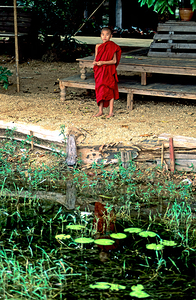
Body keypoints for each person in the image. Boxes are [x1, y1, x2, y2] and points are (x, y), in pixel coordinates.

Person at [93, 27, 121, 118]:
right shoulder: (98, 46)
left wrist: (103, 63)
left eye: (107, 34)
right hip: (100, 71)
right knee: (100, 90)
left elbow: (114, 61)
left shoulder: (113, 46)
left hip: (108, 71)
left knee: (110, 90)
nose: (105, 36)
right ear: (100, 35)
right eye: (103, 34)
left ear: (111, 36)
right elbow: (96, 59)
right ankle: (100, 111)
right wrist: (95, 63)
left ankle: (111, 112)